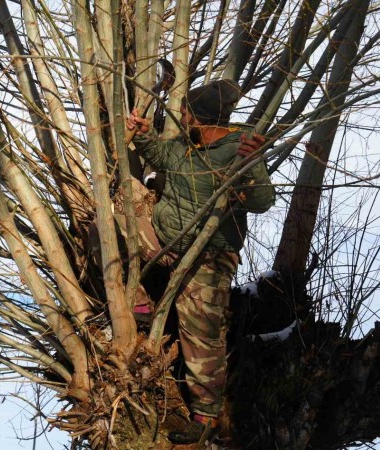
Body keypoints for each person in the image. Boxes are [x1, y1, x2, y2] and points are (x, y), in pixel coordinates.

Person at [126, 79, 275, 444]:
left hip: (209, 256)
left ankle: (206, 416)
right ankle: (140, 303)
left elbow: (261, 202)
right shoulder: (184, 145)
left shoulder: (240, 147)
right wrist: (143, 134)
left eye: (185, 110)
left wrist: (253, 164)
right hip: (165, 243)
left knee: (202, 335)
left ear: (198, 115)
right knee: (120, 200)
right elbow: (162, 157)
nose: (179, 114)